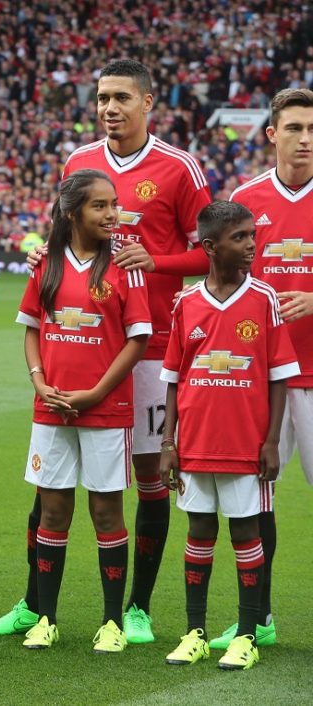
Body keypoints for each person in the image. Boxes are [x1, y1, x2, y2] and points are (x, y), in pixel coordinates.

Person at [0, 59, 212, 642]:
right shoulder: (79, 162)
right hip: (82, 347)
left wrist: (154, 261)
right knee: (50, 488)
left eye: (121, 98)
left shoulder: (181, 167)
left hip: (152, 346)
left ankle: (134, 608)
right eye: (102, 97)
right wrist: (43, 259)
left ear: (148, 102)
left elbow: (213, 253)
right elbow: (64, 233)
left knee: (146, 479)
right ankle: (35, 605)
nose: (110, 107)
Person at [13, 170, 151, 651]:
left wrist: (95, 394)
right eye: (100, 206)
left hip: (105, 411)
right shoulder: (44, 264)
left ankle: (112, 622)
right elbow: (31, 328)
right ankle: (46, 618)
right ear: (73, 212)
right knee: (52, 511)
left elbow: (137, 340)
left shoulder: (126, 266)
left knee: (106, 510)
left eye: (114, 204)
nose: (112, 214)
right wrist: (39, 381)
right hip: (50, 408)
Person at [159, 200, 298, 671]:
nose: (250, 246)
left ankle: (246, 634)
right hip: (195, 442)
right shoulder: (186, 303)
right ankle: (195, 631)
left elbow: (279, 375)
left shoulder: (264, 299)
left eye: (252, 237)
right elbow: (174, 378)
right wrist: (167, 443)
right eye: (240, 238)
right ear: (210, 247)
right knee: (199, 530)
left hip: (245, 444)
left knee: (245, 531)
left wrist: (272, 440)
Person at [218, 87, 313, 649]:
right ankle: (260, 616)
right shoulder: (246, 198)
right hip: (263, 380)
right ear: (273, 134)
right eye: (296, 128)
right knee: (255, 500)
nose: (306, 139)